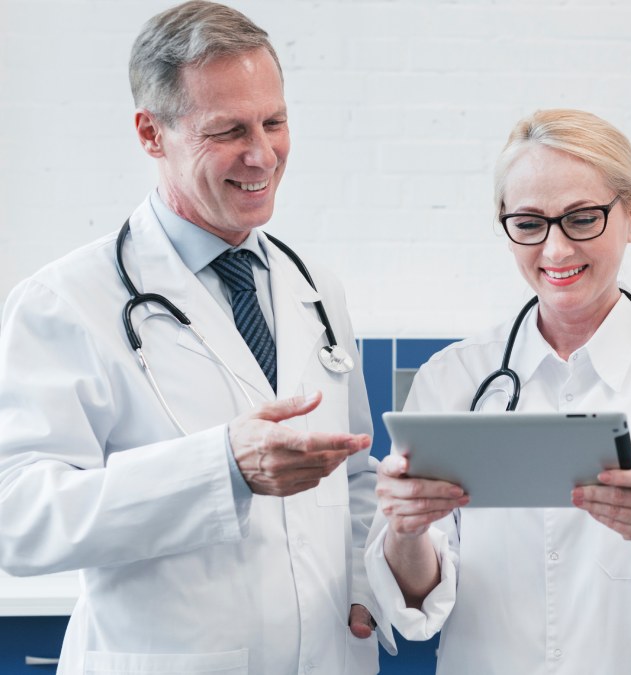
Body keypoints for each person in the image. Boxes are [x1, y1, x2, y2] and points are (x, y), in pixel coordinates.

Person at [0, 2, 380, 673]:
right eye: (228, 129)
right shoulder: (65, 301)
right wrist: (221, 467)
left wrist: (362, 580)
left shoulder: (316, 288)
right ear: (151, 132)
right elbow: (21, 517)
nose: (262, 154)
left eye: (275, 121)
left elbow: (352, 474)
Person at [363, 109, 631, 673]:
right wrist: (406, 531)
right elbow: (416, 600)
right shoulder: (451, 378)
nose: (554, 251)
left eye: (581, 219)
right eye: (528, 224)